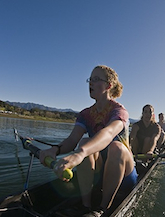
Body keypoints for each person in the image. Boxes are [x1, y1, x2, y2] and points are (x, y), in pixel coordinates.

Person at [39, 65, 137, 216]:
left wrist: (79, 154)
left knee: (115, 147)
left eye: (96, 79)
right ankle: (86, 205)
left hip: (125, 175)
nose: (91, 83)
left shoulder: (119, 111)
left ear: (108, 85)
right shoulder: (85, 114)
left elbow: (109, 133)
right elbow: (72, 140)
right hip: (99, 171)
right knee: (84, 141)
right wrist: (54, 150)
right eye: (90, 79)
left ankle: (103, 208)